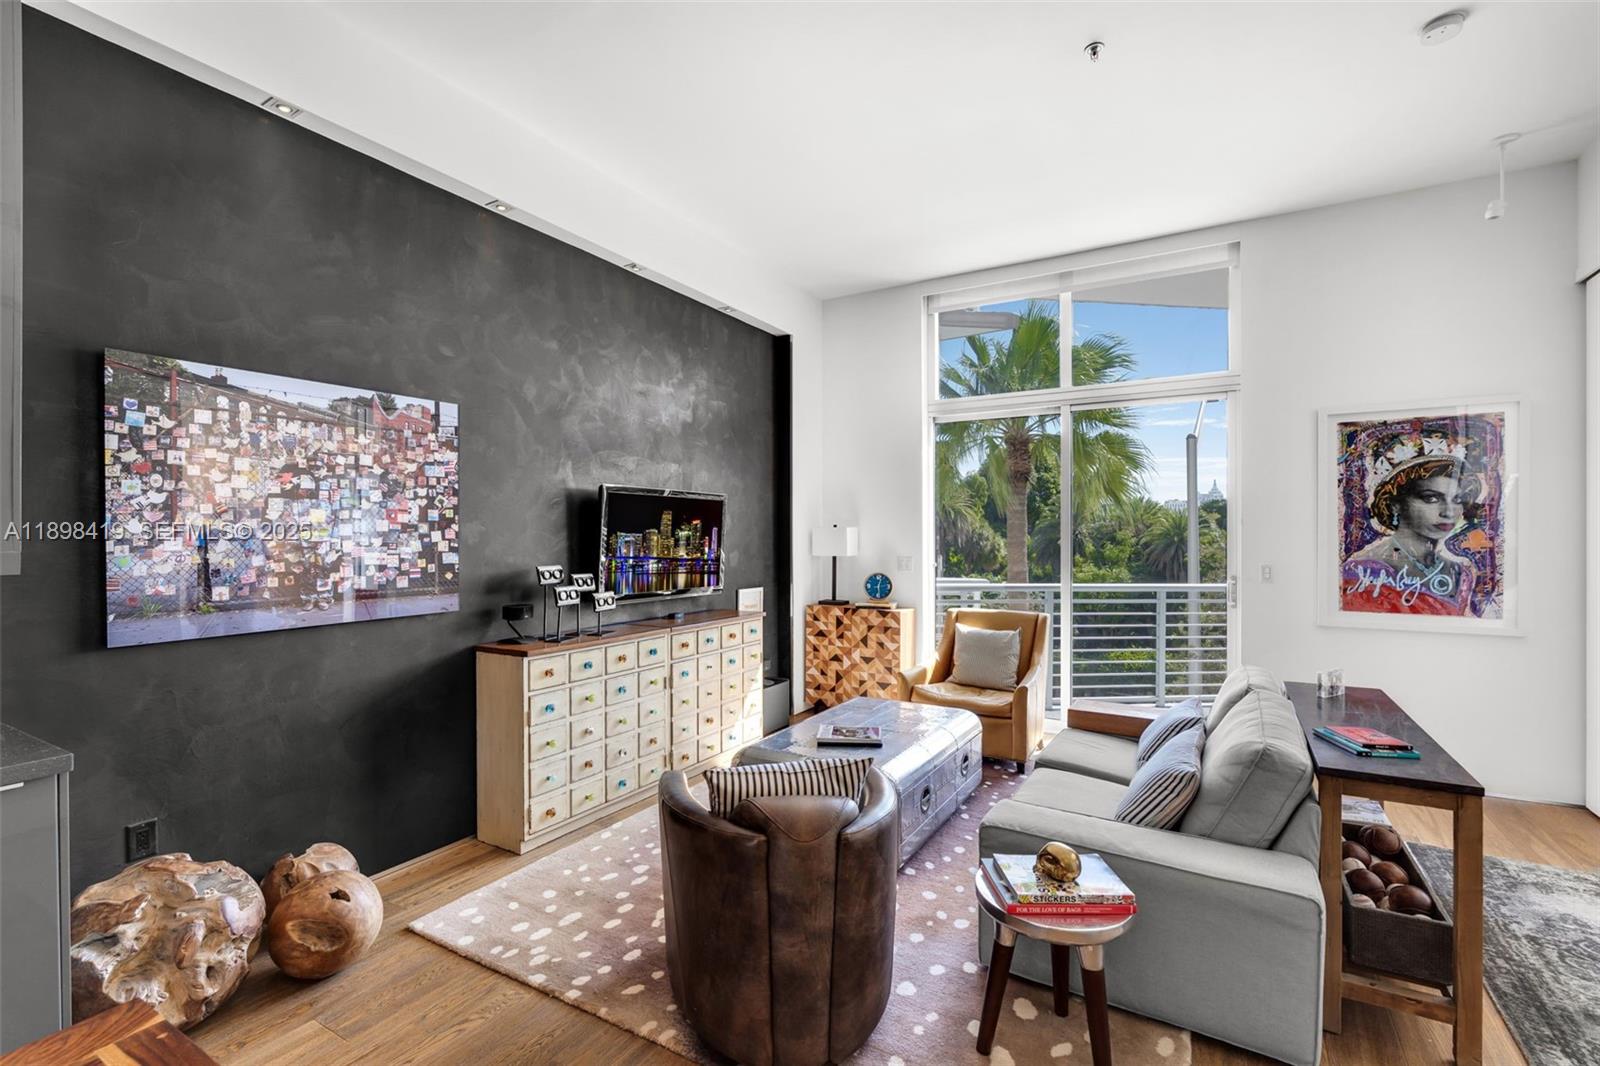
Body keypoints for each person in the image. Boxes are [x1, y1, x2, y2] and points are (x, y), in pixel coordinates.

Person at [1341, 435, 1481, 616]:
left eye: (1457, 499)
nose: (1448, 512)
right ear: (1395, 504)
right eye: (1431, 498)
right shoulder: (1360, 571)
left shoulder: (1460, 573)